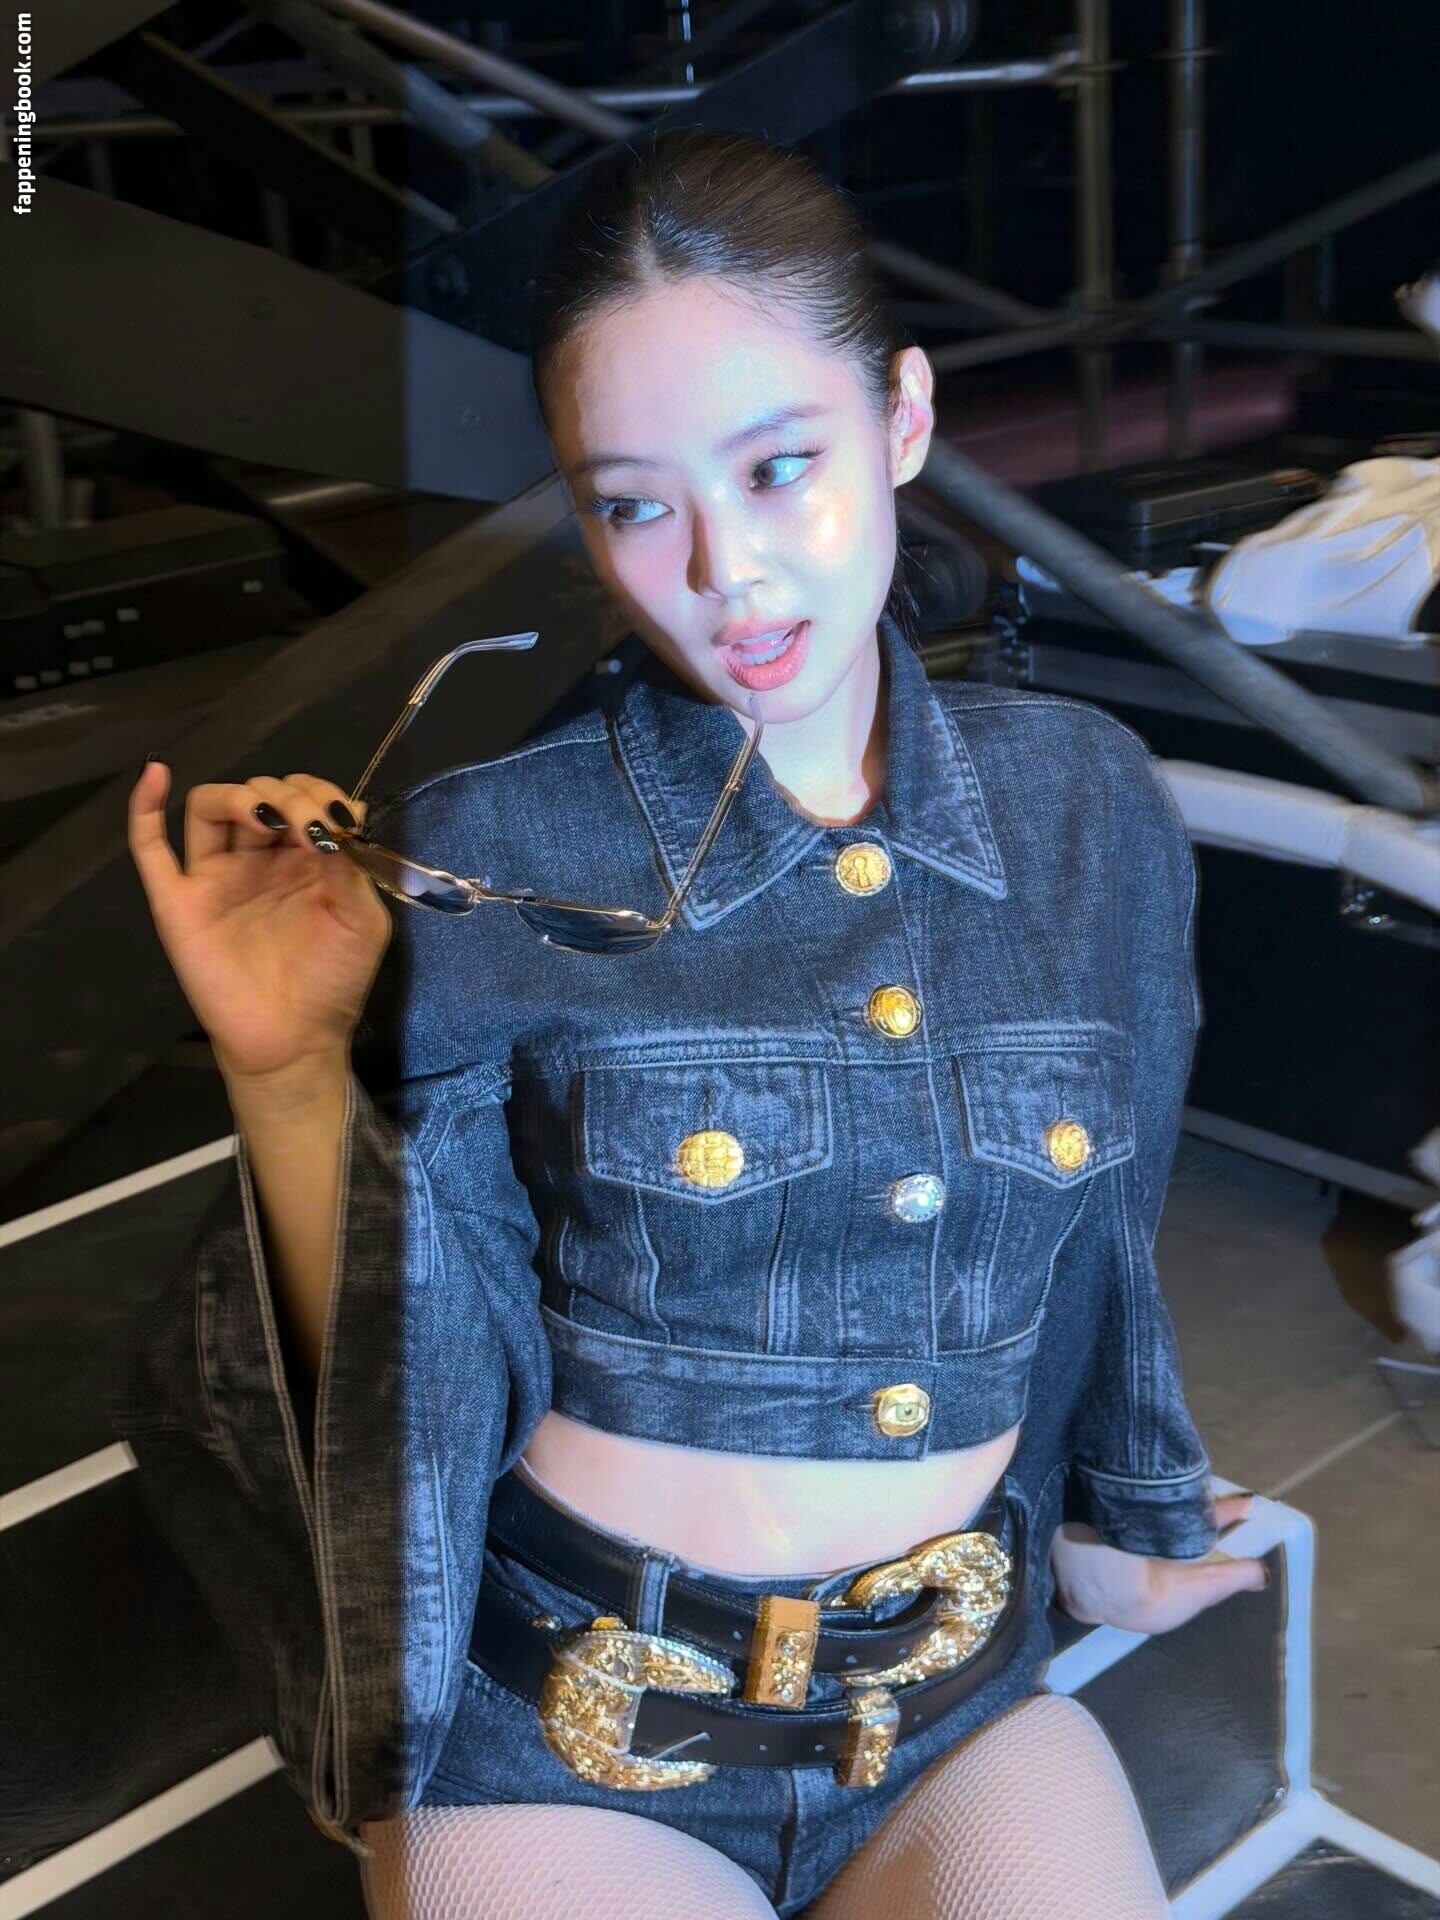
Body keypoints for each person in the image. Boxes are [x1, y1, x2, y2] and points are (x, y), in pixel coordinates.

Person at [121, 126, 1267, 1919]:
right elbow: (408, 1360)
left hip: (953, 1702)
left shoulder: (1086, 804)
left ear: (901, 417)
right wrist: (286, 1075)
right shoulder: (492, 851)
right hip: (571, 1736)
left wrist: (1132, 1509)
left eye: (780, 465)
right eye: (635, 503)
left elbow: (1108, 1217)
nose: (725, 569)